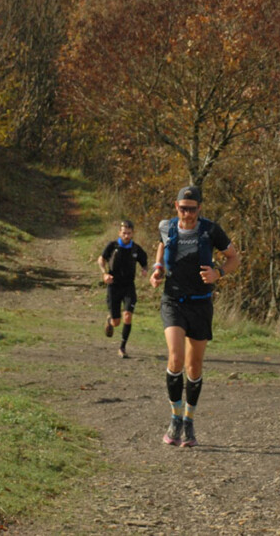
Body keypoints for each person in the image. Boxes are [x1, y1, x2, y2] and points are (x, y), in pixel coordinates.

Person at [149, 185, 240, 447]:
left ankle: (188, 420)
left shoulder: (211, 230)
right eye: (182, 208)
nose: (187, 214)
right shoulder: (166, 226)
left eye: (192, 209)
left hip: (200, 304)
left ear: (200, 208)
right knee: (175, 357)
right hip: (173, 301)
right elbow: (161, 245)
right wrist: (158, 269)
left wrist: (218, 273)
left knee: (194, 366)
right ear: (175, 206)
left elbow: (234, 257)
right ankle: (175, 417)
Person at [98, 220, 148, 358]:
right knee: (116, 322)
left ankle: (122, 347)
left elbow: (144, 263)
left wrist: (145, 270)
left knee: (127, 316)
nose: (126, 236)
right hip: (114, 286)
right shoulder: (112, 246)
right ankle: (110, 320)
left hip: (128, 287)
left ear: (133, 234)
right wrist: (104, 273)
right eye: (124, 233)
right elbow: (101, 259)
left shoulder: (136, 249)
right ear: (119, 232)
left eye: (129, 233)